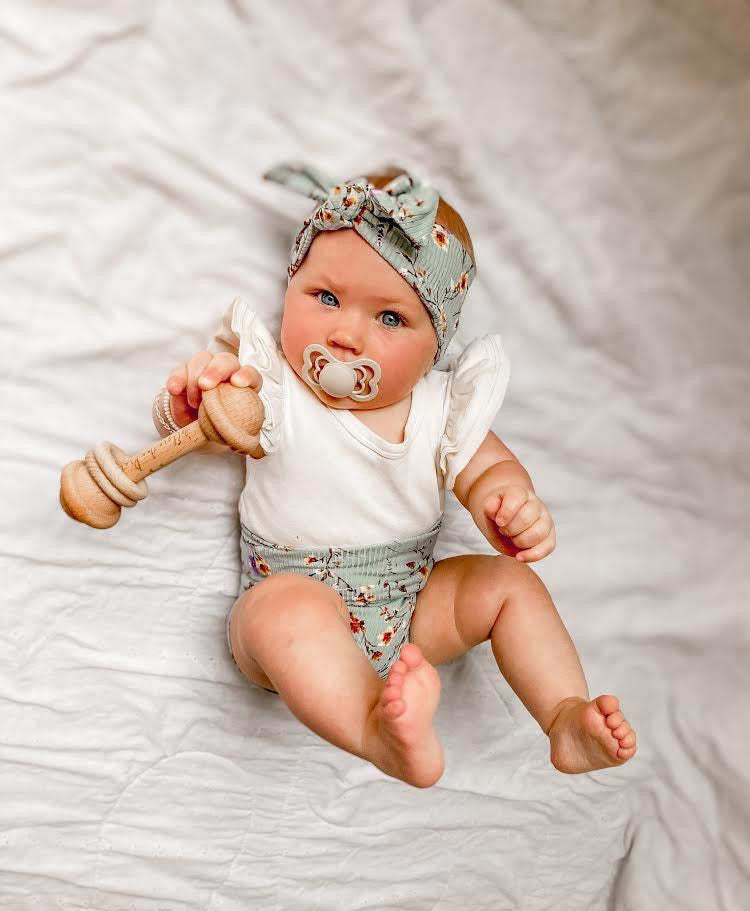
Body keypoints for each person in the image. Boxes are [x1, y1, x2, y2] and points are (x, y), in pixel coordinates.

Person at [152, 163, 637, 788]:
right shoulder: (271, 385)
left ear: (434, 346)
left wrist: (507, 500)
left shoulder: (440, 408)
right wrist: (192, 403)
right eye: (325, 298)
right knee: (279, 613)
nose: (346, 334)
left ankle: (564, 715)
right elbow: (204, 428)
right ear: (291, 286)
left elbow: (487, 467)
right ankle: (371, 727)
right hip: (296, 598)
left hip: (410, 609)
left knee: (505, 584)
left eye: (389, 319)